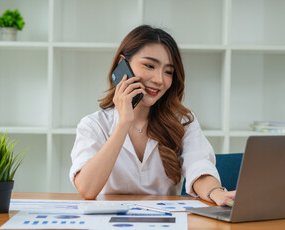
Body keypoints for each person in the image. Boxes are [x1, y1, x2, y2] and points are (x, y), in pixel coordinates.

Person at [69, 25, 235, 206]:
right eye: (149, 65)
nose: (159, 80)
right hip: (110, 227)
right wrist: (124, 122)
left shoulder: (183, 122)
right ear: (122, 64)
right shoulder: (94, 125)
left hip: (165, 226)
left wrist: (216, 193)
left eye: (168, 72)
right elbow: (87, 188)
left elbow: (199, 167)